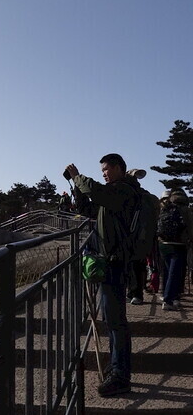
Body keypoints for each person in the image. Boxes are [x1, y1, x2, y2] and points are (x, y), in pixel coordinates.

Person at [66, 153, 140, 397]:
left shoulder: (124, 191)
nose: (105, 173)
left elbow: (98, 193)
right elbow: (89, 208)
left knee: (116, 322)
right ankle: (117, 367)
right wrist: (75, 188)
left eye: (107, 169)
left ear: (119, 168)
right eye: (102, 171)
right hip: (106, 264)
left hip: (115, 264)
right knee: (112, 320)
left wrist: (79, 178)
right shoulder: (112, 194)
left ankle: (121, 375)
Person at [126, 169, 159, 305]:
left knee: (135, 265)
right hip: (142, 235)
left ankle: (136, 293)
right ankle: (134, 293)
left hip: (134, 236)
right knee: (136, 265)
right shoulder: (146, 196)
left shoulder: (134, 194)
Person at [159, 188, 192, 311]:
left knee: (167, 272)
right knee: (175, 273)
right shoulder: (185, 210)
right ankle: (169, 300)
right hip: (178, 244)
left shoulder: (166, 207)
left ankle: (166, 295)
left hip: (163, 244)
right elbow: (190, 227)